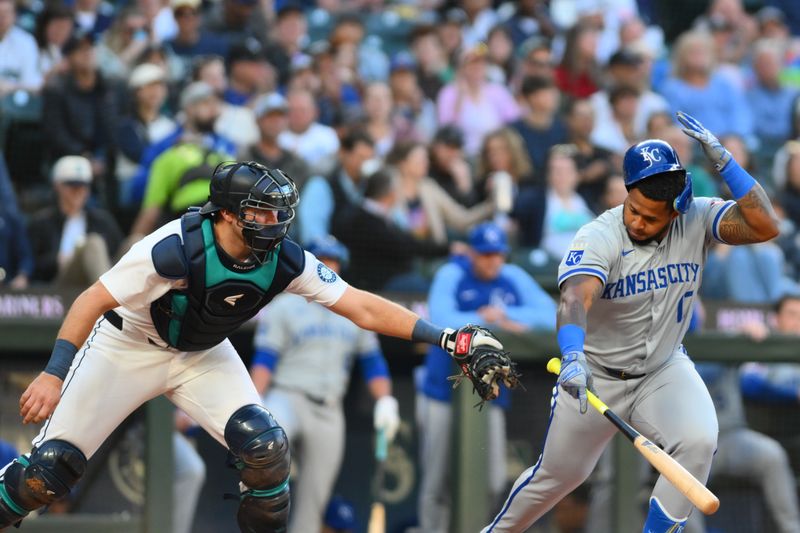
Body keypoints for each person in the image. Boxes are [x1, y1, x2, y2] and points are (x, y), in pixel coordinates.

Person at [0, 161, 511, 533]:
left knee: (267, 451)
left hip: (202, 354)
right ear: (225, 215)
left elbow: (359, 305)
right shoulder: (174, 247)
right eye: (261, 214)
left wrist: (447, 336)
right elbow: (90, 300)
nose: (275, 224)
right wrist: (53, 372)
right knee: (46, 476)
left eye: (277, 214)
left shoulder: (285, 258)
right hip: (129, 345)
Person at [483, 111, 780, 532]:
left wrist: (728, 164)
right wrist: (571, 355)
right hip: (593, 373)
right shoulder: (600, 234)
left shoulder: (696, 217)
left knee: (697, 440)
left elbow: (766, 225)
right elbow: (573, 298)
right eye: (633, 206)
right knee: (558, 478)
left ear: (677, 210)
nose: (637, 220)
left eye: (650, 215)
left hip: (663, 369)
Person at [250, 235, 400, 533]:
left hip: (330, 408)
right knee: (265, 451)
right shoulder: (284, 306)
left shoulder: (354, 309)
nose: (329, 266)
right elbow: (265, 361)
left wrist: (385, 399)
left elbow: (373, 363)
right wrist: (252, 404)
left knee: (315, 496)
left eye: (334, 261)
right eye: (323, 260)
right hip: (288, 396)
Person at [417, 222, 557, 533]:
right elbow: (439, 318)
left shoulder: (510, 276)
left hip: (487, 393)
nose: (493, 261)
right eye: (486, 254)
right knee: (437, 483)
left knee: (493, 481)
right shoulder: (452, 273)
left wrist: (508, 317)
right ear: (471, 253)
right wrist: (485, 319)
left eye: (498, 254)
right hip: (442, 391)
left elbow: (550, 313)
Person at [28, 155, 123, 288]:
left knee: (135, 241)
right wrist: (57, 259)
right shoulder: (43, 222)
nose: (79, 191)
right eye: (72, 185)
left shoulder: (102, 221)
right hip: (60, 286)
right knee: (93, 243)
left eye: (83, 186)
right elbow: (28, 265)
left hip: (100, 277)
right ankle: (109, 303)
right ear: (58, 186)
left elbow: (117, 255)